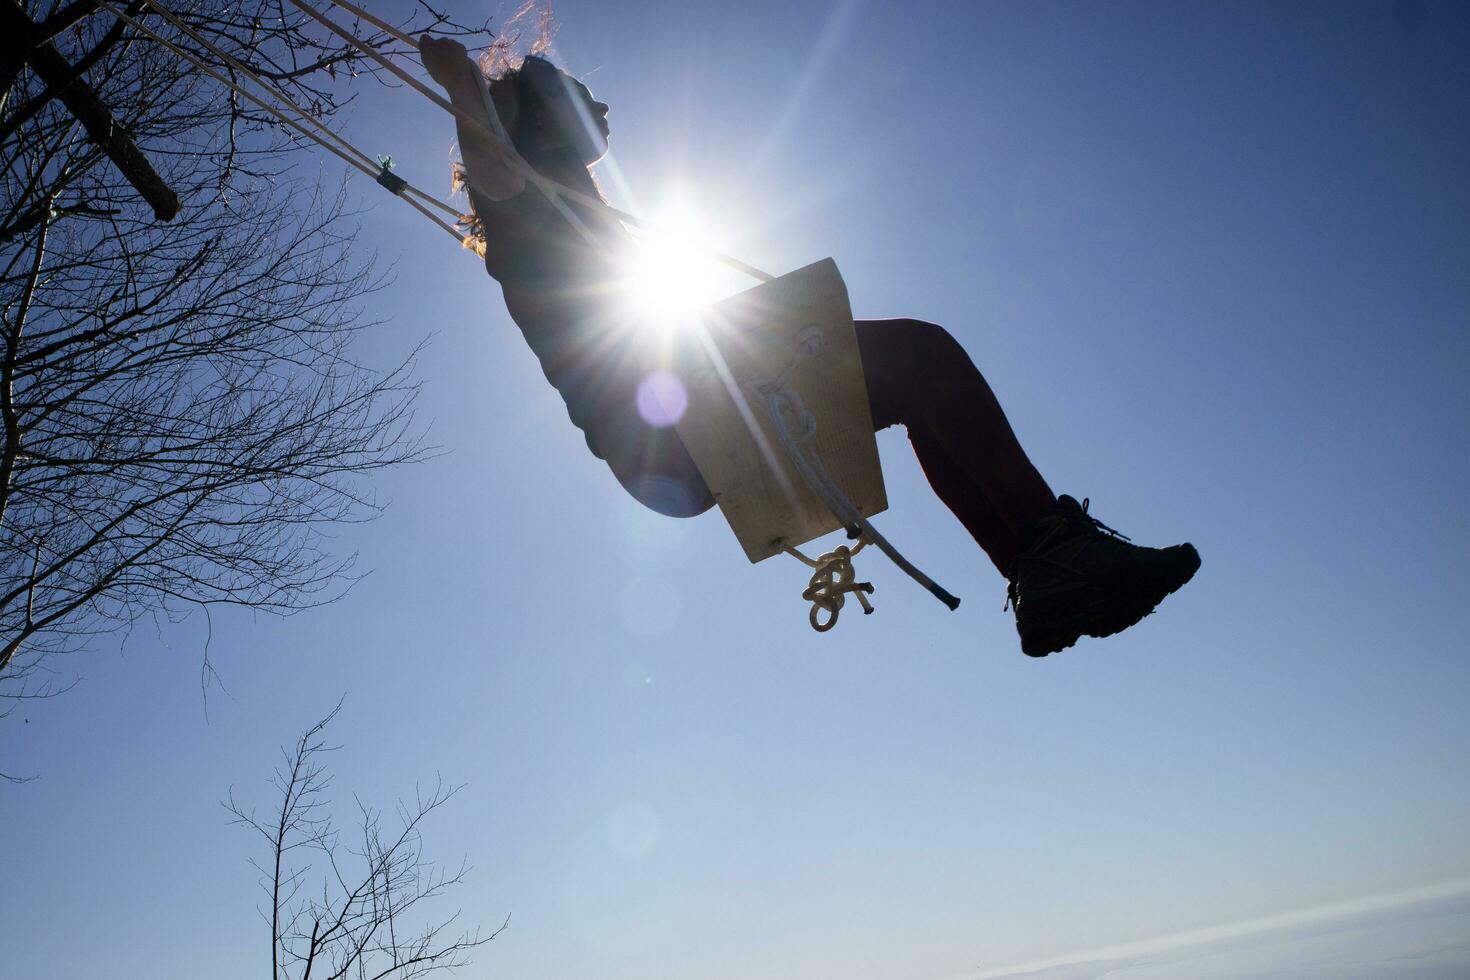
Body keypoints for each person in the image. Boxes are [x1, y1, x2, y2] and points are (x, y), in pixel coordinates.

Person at [418, 36, 1199, 656]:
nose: (604, 101)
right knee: (924, 358)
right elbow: (495, 172)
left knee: (921, 384)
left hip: (674, 436)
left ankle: (1042, 575)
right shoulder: (525, 208)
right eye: (580, 90)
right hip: (669, 434)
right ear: (545, 112)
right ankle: (1050, 560)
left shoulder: (571, 204)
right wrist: (461, 83)